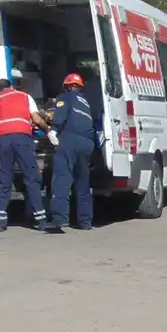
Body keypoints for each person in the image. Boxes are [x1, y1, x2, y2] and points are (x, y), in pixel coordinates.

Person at [0, 77, 48, 232]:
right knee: (31, 178)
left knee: (4, 180)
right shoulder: (24, 96)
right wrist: (48, 130)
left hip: (2, 141)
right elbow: (36, 118)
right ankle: (40, 221)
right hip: (21, 139)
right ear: (12, 86)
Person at [45, 72, 102, 232]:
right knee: (83, 183)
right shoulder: (87, 103)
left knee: (62, 179)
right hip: (87, 143)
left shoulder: (65, 98)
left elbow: (60, 116)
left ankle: (59, 219)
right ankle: (85, 222)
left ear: (67, 86)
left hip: (70, 140)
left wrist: (53, 131)